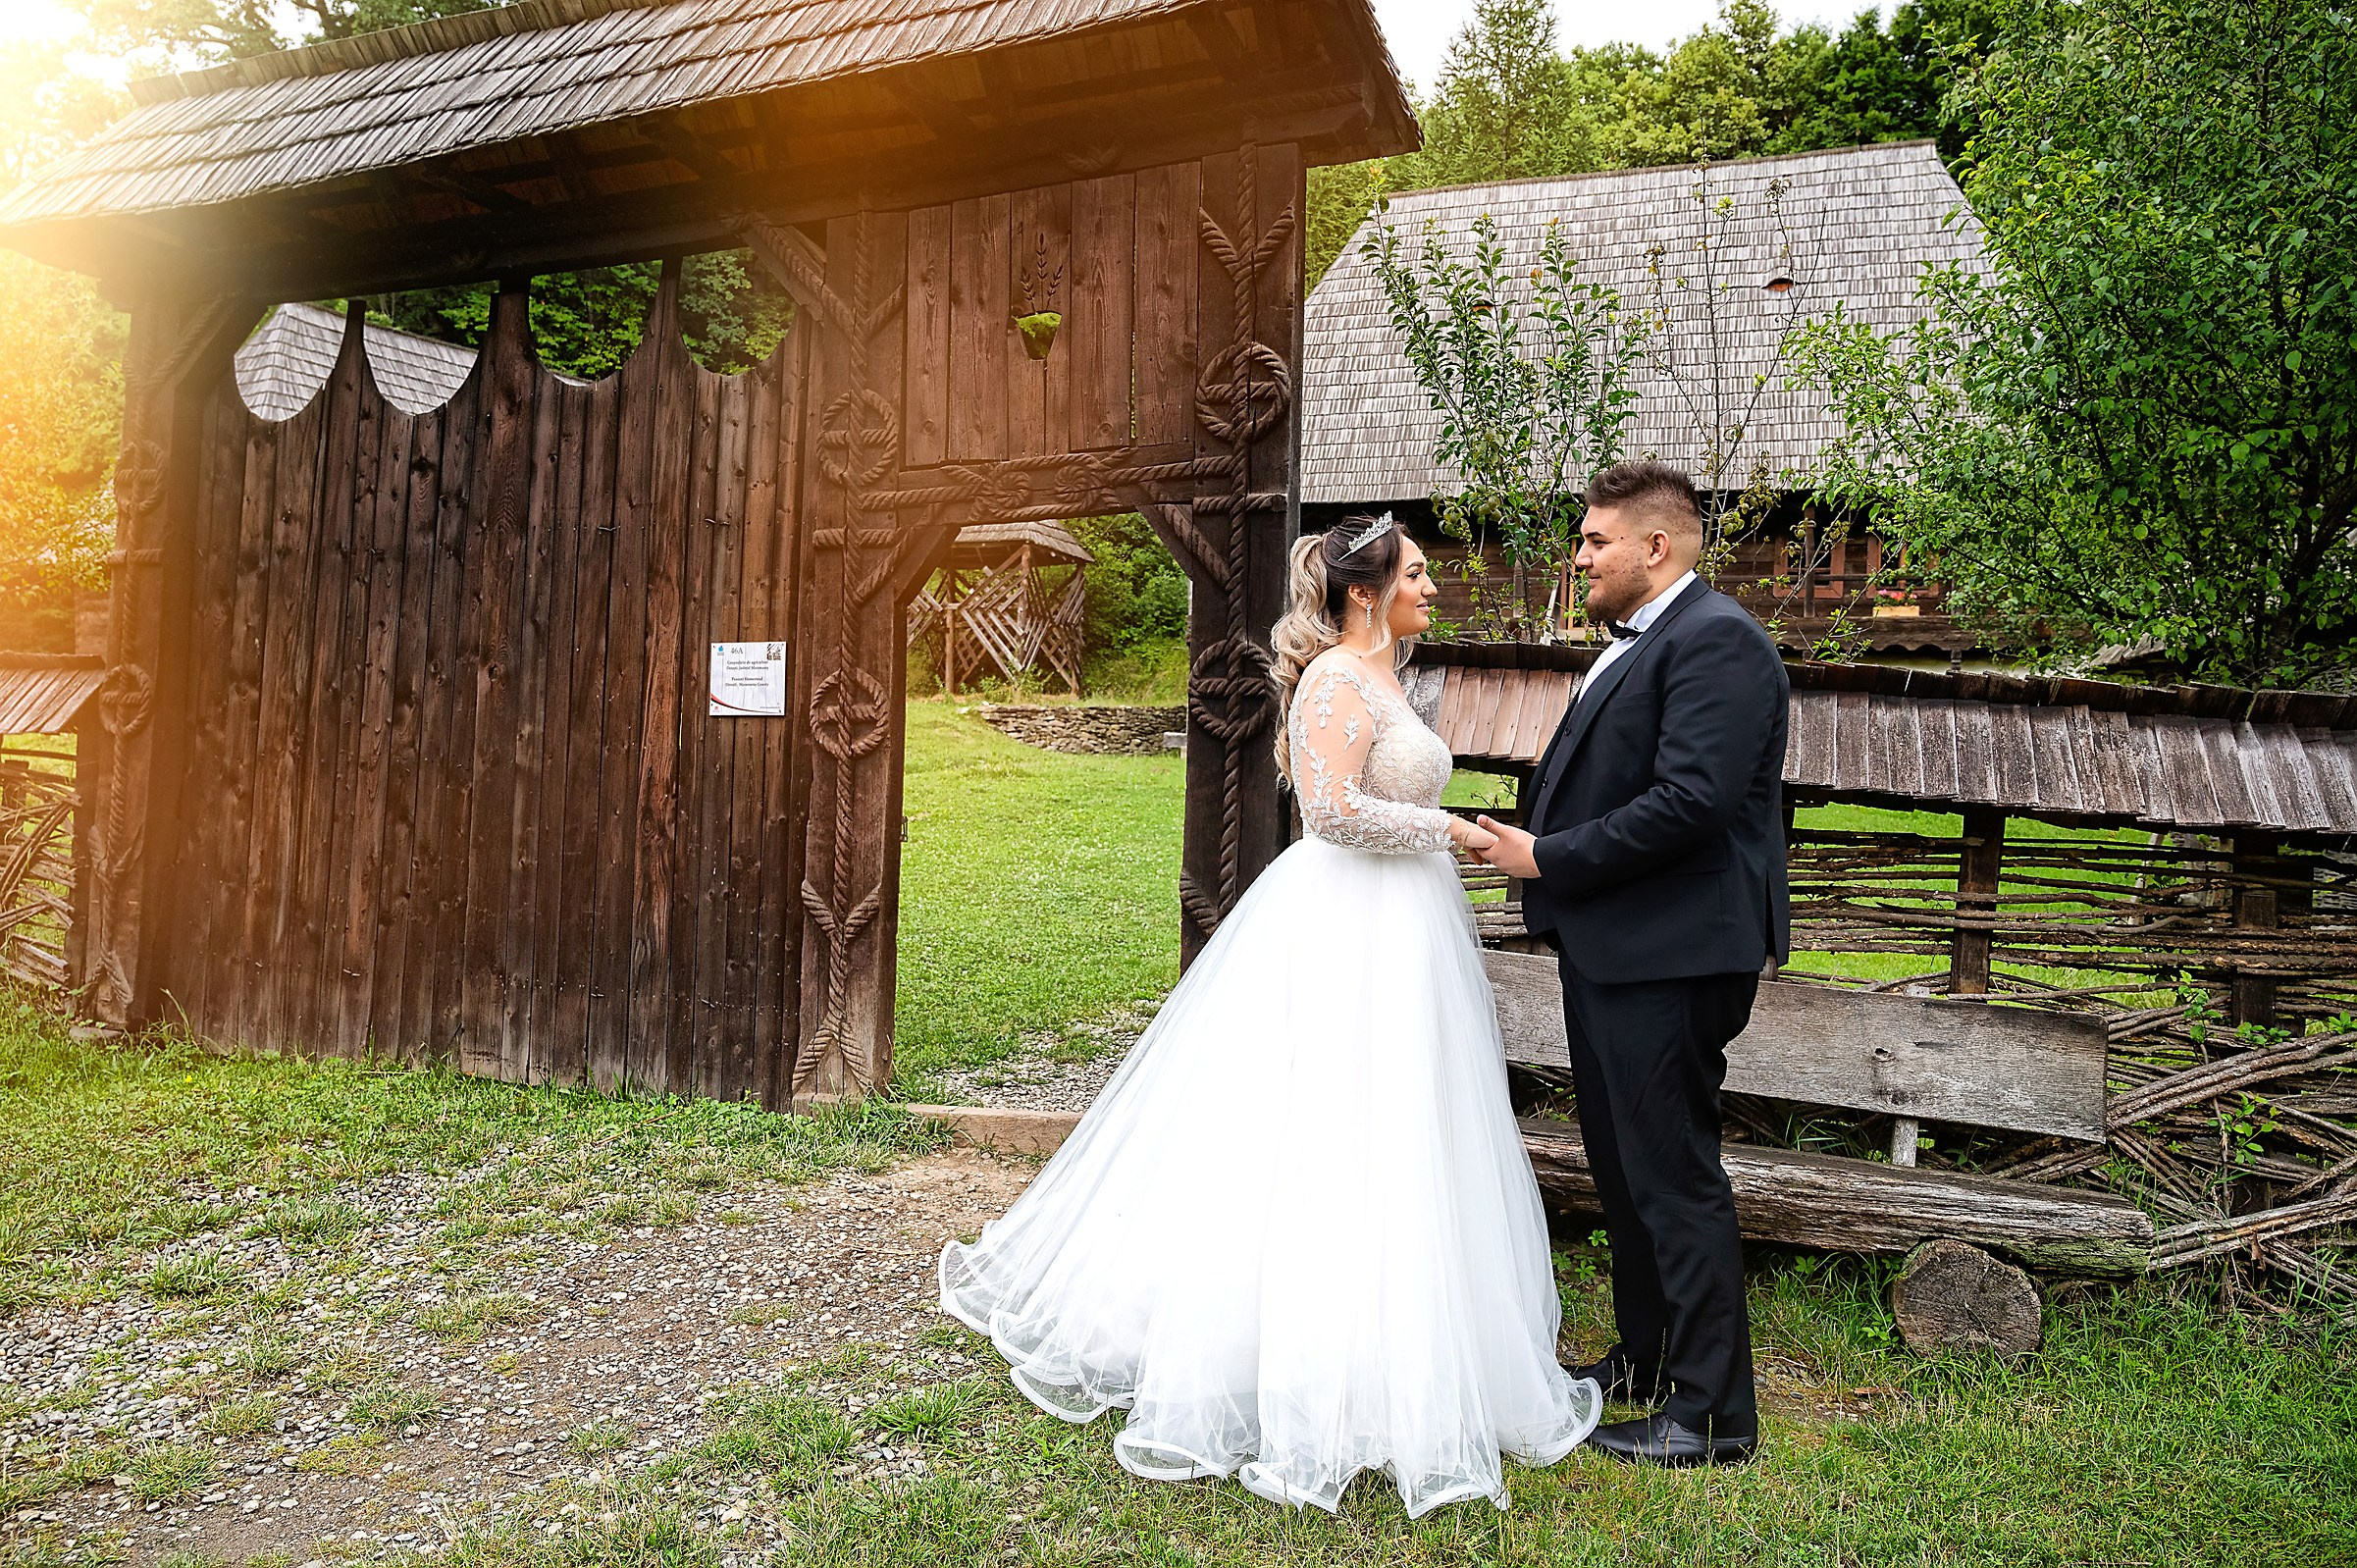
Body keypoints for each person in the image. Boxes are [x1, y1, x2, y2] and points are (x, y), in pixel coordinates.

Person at [940, 514, 1603, 1517]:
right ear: (1365, 593)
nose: (1432, 587)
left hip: (1406, 925)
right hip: (1345, 921)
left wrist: (1440, 836)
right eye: (1417, 574)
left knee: (1398, 1125)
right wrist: (1451, 829)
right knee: (1316, 1123)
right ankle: (1286, 1350)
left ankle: (1397, 1344)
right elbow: (1330, 811)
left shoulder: (1389, 676)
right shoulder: (1335, 677)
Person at [1473, 459, 1790, 1467]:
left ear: (1656, 546)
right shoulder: (1644, 640)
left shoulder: (1718, 640)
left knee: (1671, 1174)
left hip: (1674, 952)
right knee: (1622, 1170)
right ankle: (1647, 1360)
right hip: (1619, 947)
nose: (1580, 557)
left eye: (1595, 540)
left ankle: (1711, 1415)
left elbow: (1691, 802)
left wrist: (1548, 855)